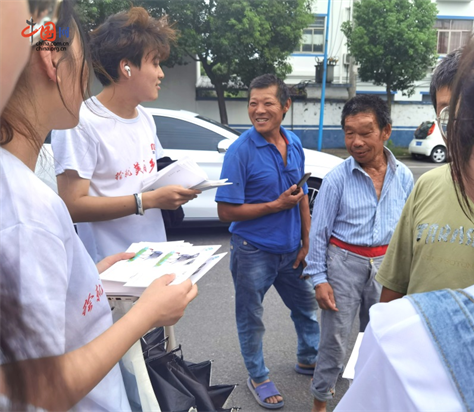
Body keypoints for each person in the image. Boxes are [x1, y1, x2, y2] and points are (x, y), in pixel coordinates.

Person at [336, 0, 474, 409]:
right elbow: (395, 282)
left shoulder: (407, 337)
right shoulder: (427, 186)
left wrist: (393, 340)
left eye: (460, 121)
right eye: (444, 118)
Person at [0, 2, 198, 410]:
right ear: (51, 58)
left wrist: (88, 275)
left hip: (131, 275)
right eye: (83, 58)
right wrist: (146, 314)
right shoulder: (24, 212)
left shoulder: (21, 195)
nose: (88, 75)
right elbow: (40, 389)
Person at [51, 7, 200, 263]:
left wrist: (177, 188)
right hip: (109, 268)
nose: (161, 73)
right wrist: (147, 201)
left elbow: (151, 179)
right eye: (155, 63)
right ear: (126, 67)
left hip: (155, 258)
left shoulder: (145, 118)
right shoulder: (80, 122)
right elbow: (72, 206)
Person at [215, 74, 319, 409]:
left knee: (306, 308)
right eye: (253, 104)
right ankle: (258, 376)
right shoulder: (239, 152)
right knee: (252, 318)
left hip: (291, 250)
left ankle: (308, 359)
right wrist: (274, 206)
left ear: (285, 106)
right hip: (253, 251)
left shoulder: (295, 143)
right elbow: (225, 212)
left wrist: (307, 242)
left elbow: (302, 195)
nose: (258, 110)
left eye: (267, 103)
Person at [375, 49, 474, 303]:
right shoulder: (426, 186)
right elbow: (394, 287)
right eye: (447, 111)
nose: (460, 123)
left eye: (469, 108)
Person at [304, 95, 413, 412]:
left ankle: (368, 400)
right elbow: (318, 232)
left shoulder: (404, 177)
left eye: (365, 132)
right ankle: (320, 402)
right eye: (349, 133)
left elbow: (407, 231)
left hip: (386, 267)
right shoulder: (336, 179)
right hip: (343, 264)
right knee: (334, 341)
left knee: (379, 338)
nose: (356, 142)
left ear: (386, 131)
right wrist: (319, 279)